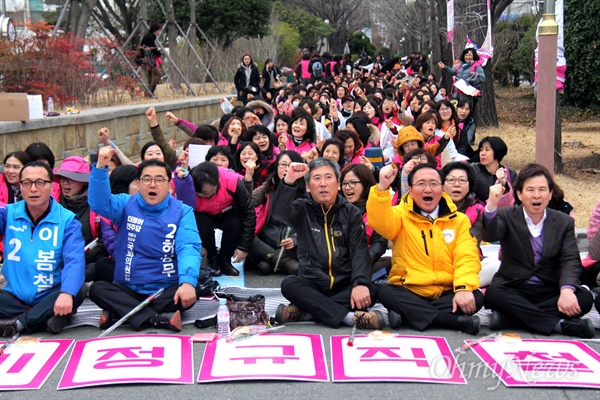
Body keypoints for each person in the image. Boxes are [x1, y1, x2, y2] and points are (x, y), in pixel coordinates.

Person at [88, 146, 202, 332]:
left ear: (169, 185)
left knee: (192, 290)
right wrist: (100, 167)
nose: (152, 185)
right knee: (97, 289)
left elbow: (188, 246)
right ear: (139, 184)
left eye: (159, 180)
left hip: (165, 287)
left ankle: (122, 312)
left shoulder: (182, 211)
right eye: (146, 179)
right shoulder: (125, 203)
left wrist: (187, 283)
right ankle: (157, 319)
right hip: (129, 286)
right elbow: (99, 203)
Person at [367, 164, 483, 334]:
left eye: (434, 184)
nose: (428, 189)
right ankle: (453, 321)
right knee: (385, 291)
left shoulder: (459, 220)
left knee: (476, 296)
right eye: (421, 184)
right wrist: (382, 188)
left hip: (446, 290)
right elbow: (380, 221)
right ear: (411, 189)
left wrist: (463, 288)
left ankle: (408, 315)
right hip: (409, 290)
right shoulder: (400, 215)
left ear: (442, 188)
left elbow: (467, 256)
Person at [482, 163, 595, 338]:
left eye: (542, 189)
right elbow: (490, 234)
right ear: (519, 193)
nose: (536, 195)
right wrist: (491, 205)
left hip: (549, 288)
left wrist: (566, 290)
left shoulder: (563, 221)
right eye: (530, 190)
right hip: (514, 286)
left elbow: (570, 259)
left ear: (550, 194)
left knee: (584, 299)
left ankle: (511, 319)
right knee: (493, 295)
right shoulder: (506, 215)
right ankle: (559, 325)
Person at [272, 158, 383, 330]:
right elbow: (279, 211)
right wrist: (289, 180)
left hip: (343, 283)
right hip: (312, 283)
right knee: (289, 285)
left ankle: (306, 311)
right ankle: (348, 317)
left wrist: (360, 283)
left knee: (371, 290)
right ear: (308, 187)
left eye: (328, 177)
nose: (323, 184)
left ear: (338, 184)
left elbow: (359, 252)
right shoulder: (302, 209)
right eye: (316, 179)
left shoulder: (351, 212)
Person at [0, 162, 86, 336]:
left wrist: (67, 293)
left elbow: (74, 260)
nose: (33, 189)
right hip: (13, 296)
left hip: (50, 295)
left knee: (77, 290)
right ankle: (45, 318)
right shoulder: (8, 213)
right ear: (20, 186)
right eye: (27, 183)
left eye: (40, 182)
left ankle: (19, 324)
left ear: (51, 185)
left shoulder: (67, 220)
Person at [175, 161, 255, 277]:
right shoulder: (188, 183)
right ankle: (212, 259)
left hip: (226, 212)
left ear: (217, 183)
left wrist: (244, 247)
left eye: (205, 192)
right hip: (202, 216)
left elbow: (248, 213)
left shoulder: (232, 181)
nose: (201, 196)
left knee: (234, 222)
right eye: (197, 193)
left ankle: (225, 260)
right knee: (201, 221)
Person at [249, 151, 304, 275]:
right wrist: (248, 177)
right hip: (266, 242)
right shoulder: (269, 186)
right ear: (277, 167)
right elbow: (247, 201)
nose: (287, 169)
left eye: (291, 165)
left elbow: (313, 224)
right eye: (283, 165)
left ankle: (269, 261)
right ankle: (281, 261)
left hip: (292, 246)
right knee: (243, 230)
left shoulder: (307, 191)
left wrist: (295, 239)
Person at [54, 156, 108, 281]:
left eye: (71, 179)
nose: (65, 182)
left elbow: (104, 240)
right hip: (57, 260)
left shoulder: (97, 204)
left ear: (84, 182)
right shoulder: (52, 203)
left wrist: (80, 257)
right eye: (62, 178)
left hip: (88, 260)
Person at [340, 164, 390, 275]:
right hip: (341, 262)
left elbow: (379, 243)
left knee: (387, 263)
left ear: (365, 183)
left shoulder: (375, 208)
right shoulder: (337, 208)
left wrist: (363, 261)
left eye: (353, 183)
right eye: (344, 183)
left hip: (366, 260)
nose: (347, 187)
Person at [471, 136, 517, 206]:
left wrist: (503, 183)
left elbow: (515, 199)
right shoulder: (473, 170)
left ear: (497, 151)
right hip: (479, 212)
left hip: (502, 213)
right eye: (481, 150)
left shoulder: (510, 174)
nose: (482, 153)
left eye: (487, 149)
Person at [138, 22, 163, 96]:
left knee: (150, 77)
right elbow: (152, 50)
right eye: (159, 30)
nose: (159, 32)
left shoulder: (150, 36)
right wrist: (158, 53)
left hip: (147, 59)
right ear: (155, 30)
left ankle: (148, 94)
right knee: (158, 74)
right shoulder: (149, 37)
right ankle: (150, 91)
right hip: (147, 59)